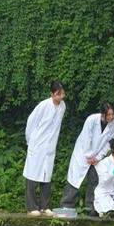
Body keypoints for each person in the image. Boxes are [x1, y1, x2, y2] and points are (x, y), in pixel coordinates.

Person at [61, 102, 114, 216]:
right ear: (102, 114)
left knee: (94, 180)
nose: (111, 117)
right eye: (109, 115)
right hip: (82, 153)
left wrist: (97, 157)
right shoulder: (91, 120)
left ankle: (90, 207)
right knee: (75, 179)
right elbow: (85, 138)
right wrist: (89, 156)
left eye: (113, 114)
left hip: (97, 157)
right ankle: (66, 205)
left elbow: (109, 144)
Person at [23, 81, 67, 217]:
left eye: (62, 94)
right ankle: (31, 207)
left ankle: (45, 206)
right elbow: (31, 122)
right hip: (37, 144)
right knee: (32, 175)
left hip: (50, 146)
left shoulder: (62, 106)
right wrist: (31, 141)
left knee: (46, 176)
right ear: (51, 93)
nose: (60, 97)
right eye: (57, 94)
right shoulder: (43, 105)